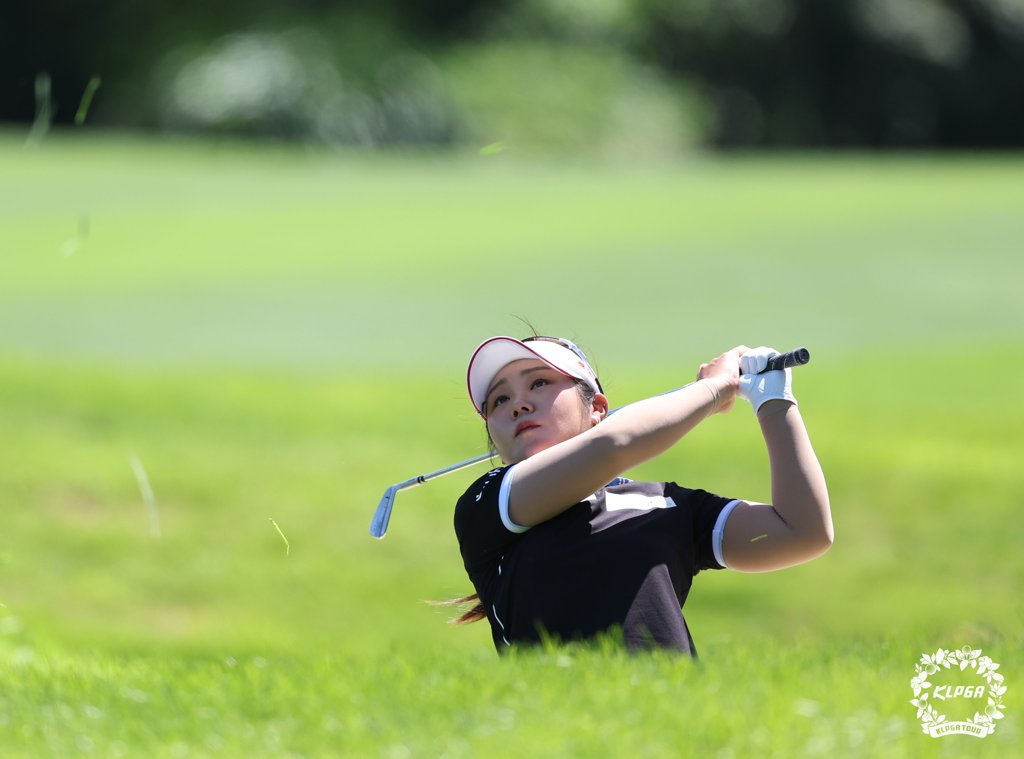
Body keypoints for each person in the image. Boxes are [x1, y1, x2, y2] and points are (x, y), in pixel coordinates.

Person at [451, 335, 833, 656]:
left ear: (598, 409)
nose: (518, 404)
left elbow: (803, 532)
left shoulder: (667, 504)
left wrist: (774, 402)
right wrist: (713, 391)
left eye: (539, 383)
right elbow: (614, 445)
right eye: (499, 401)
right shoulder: (486, 503)